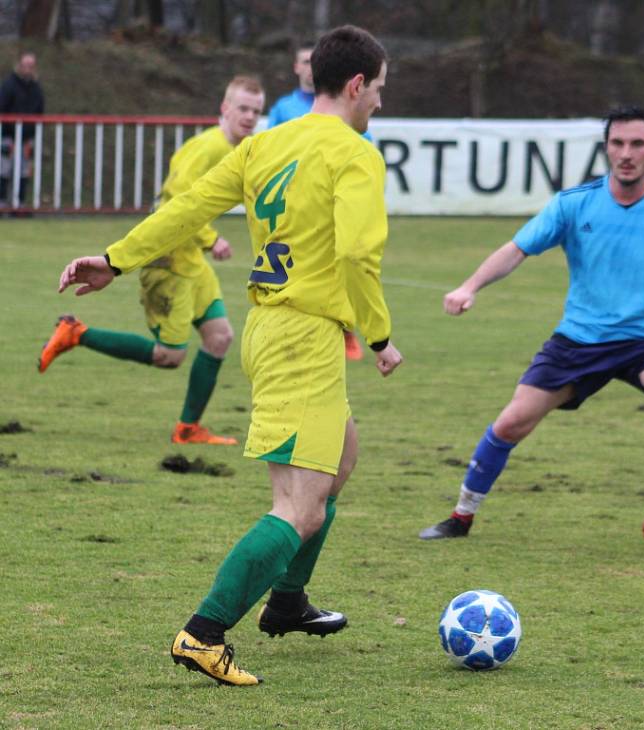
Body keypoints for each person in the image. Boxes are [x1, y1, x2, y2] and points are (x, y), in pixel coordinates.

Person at [58, 25, 402, 686]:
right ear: (356, 85)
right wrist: (381, 338)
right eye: (379, 91)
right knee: (299, 507)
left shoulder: (265, 144)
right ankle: (204, 633)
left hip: (274, 328)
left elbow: (186, 209)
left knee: (343, 457)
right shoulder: (356, 153)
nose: (379, 105)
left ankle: (289, 601)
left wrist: (115, 258)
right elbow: (360, 254)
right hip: (302, 337)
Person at [419, 106, 644, 548]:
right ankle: (460, 516)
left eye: (637, 144)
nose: (626, 153)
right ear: (606, 148)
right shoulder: (573, 203)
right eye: (617, 143)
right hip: (579, 342)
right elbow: (517, 249)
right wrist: (470, 286)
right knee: (510, 424)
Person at [38, 76, 265, 445]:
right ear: (224, 108)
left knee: (220, 337)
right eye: (243, 108)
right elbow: (176, 203)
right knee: (170, 355)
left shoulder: (237, 148)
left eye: (256, 110)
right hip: (169, 263)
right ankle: (76, 333)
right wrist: (212, 238)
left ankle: (188, 428)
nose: (250, 116)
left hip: (192, 260)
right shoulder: (206, 148)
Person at [267, 40, 371, 361]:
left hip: (334, 197)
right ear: (297, 68)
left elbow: (362, 144)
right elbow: (273, 150)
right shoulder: (284, 108)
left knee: (345, 258)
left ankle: (346, 330)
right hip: (298, 201)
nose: (309, 68)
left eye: (314, 61)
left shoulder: (343, 108)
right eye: (304, 61)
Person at [0, 51, 45, 207]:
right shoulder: (8, 85)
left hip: (27, 138)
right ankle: (2, 202)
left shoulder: (36, 88)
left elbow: (39, 112)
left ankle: (19, 203)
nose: (27, 69)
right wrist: (9, 135)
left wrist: (29, 137)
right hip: (7, 136)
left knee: (24, 171)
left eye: (31, 66)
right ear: (19, 65)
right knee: (4, 169)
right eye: (25, 65)